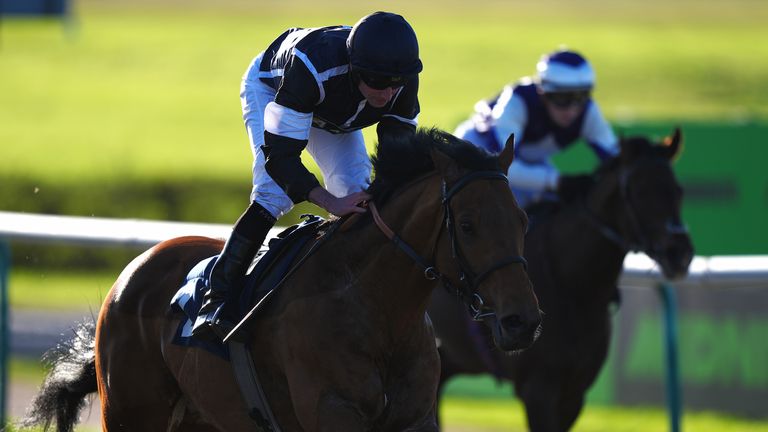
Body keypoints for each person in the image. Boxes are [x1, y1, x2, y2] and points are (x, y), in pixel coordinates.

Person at [192, 11, 423, 341]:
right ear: (356, 69)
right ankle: (216, 300)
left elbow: (396, 160)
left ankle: (350, 295)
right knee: (274, 191)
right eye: (376, 82)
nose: (386, 94)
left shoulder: (401, 76)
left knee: (357, 189)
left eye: (394, 84)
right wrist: (329, 201)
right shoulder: (313, 66)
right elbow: (281, 159)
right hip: (276, 90)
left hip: (334, 112)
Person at [454, 48, 618, 208]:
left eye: (582, 97)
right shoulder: (518, 101)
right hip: (476, 155)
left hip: (528, 163)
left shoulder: (588, 111)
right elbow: (501, 165)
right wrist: (557, 181)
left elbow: (616, 156)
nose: (572, 109)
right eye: (562, 98)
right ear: (543, 93)